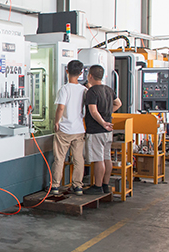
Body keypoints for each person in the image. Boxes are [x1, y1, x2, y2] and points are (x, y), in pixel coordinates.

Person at [50, 60, 87, 196]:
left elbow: (61, 107)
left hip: (64, 130)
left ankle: (55, 186)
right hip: (79, 129)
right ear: (81, 73)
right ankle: (78, 186)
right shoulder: (84, 90)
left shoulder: (64, 89)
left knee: (59, 158)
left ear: (67, 71)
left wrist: (56, 122)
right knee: (78, 159)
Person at [83, 64, 122, 195]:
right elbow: (118, 103)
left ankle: (97, 186)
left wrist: (103, 122)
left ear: (90, 76)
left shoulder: (92, 92)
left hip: (96, 130)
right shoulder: (109, 90)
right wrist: (107, 114)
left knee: (98, 159)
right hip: (108, 131)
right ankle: (105, 185)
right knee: (106, 157)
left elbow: (93, 111)